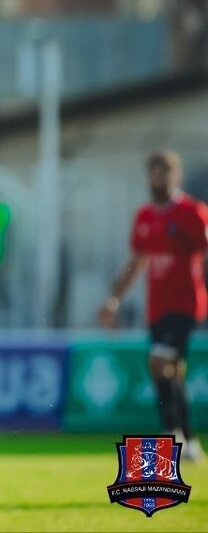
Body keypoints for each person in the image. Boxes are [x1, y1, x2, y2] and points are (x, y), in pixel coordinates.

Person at [100, 150, 208, 461]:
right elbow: (137, 262)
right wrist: (114, 299)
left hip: (186, 303)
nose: (158, 179)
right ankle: (190, 440)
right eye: (154, 173)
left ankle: (170, 435)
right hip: (157, 306)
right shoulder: (145, 217)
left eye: (165, 173)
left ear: (177, 177)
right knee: (172, 371)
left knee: (158, 362)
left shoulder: (192, 212)